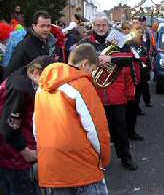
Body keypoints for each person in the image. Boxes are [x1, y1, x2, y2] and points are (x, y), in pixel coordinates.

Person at [34, 44, 111, 194]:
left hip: (52, 166)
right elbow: (96, 129)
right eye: (93, 69)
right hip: (82, 166)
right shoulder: (82, 86)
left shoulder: (42, 87)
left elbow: (36, 127)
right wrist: (104, 158)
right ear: (85, 64)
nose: (92, 74)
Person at [82, 15, 138, 170]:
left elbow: (129, 58)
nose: (100, 28)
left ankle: (125, 157)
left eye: (104, 25)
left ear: (108, 26)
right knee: (94, 129)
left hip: (115, 91)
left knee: (120, 126)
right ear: (93, 25)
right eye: (98, 25)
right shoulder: (86, 43)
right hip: (94, 93)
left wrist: (110, 59)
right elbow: (76, 62)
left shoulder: (118, 39)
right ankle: (95, 160)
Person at [0, 56, 54, 195]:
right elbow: (9, 125)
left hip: (20, 151)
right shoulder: (20, 87)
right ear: (36, 72)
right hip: (14, 156)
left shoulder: (25, 77)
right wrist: (25, 151)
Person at [4, 11, 61, 78]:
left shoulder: (52, 44)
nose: (46, 29)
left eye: (48, 26)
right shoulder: (24, 46)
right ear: (34, 26)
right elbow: (11, 73)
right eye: (42, 26)